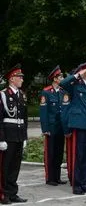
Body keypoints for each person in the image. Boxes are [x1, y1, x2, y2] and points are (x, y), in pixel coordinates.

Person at [60, 59, 86, 195]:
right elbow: (63, 83)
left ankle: (85, 183)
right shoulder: (75, 84)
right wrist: (78, 75)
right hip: (79, 124)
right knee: (79, 156)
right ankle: (77, 185)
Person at [0, 64, 28, 204]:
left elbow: (24, 118)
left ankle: (12, 193)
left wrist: (24, 138)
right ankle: (3, 194)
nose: (22, 79)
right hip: (8, 136)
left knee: (15, 166)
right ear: (12, 79)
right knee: (5, 166)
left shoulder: (21, 95)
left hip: (18, 135)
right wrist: (1, 139)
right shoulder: (3, 95)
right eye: (19, 77)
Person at [40, 65, 67, 186]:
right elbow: (43, 112)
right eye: (60, 76)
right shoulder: (46, 92)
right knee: (50, 153)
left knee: (59, 152)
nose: (62, 78)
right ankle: (50, 178)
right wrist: (45, 128)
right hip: (51, 127)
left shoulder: (62, 91)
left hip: (60, 126)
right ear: (55, 78)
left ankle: (57, 177)